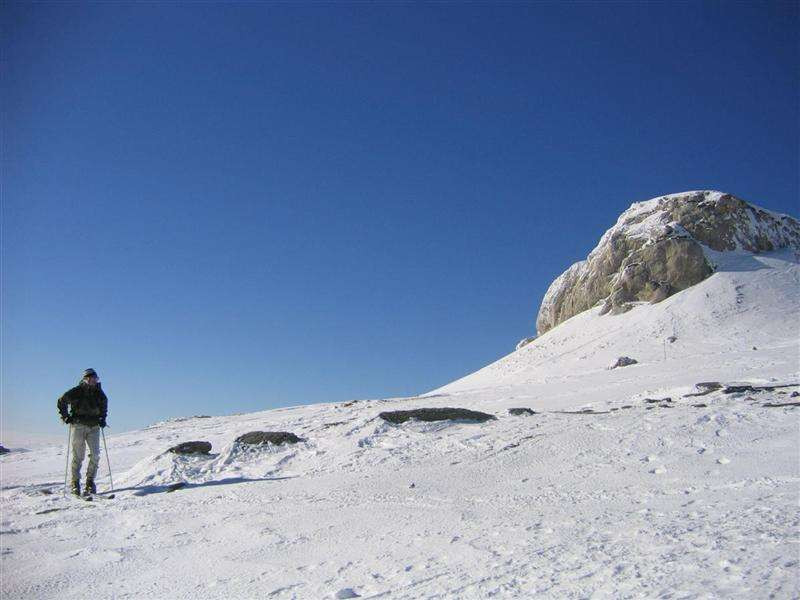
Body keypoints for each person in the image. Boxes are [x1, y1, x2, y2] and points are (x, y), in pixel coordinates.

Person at [57, 368, 108, 496]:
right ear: (86, 378)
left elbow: (104, 405)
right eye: (92, 378)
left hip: (94, 427)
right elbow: (61, 401)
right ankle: (75, 483)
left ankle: (90, 482)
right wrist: (65, 416)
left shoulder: (99, 393)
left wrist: (103, 418)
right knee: (78, 456)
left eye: (96, 378)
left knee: (95, 454)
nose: (94, 380)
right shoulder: (77, 391)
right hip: (78, 425)